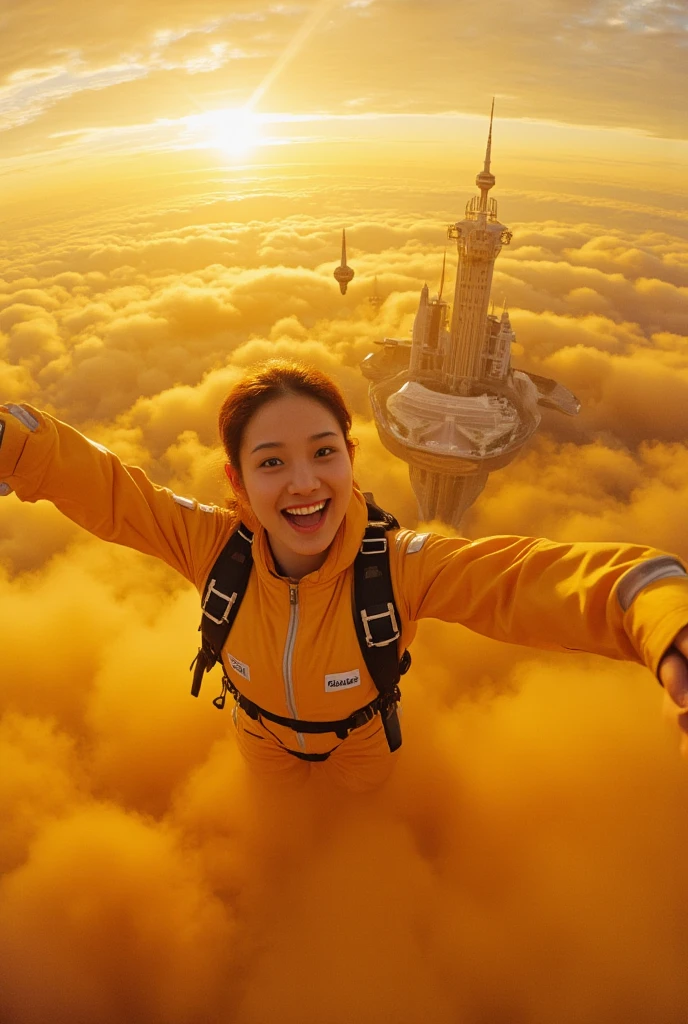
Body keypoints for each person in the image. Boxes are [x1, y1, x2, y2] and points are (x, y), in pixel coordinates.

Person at [2, 360, 688, 792]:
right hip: (257, 735)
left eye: (323, 452)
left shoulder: (400, 569)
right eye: (271, 462)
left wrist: (664, 618)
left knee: (366, 807)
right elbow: (110, 491)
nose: (304, 483)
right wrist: (17, 441)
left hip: (365, 740)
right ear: (236, 483)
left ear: (350, 460)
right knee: (274, 805)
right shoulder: (213, 548)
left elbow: (539, 580)